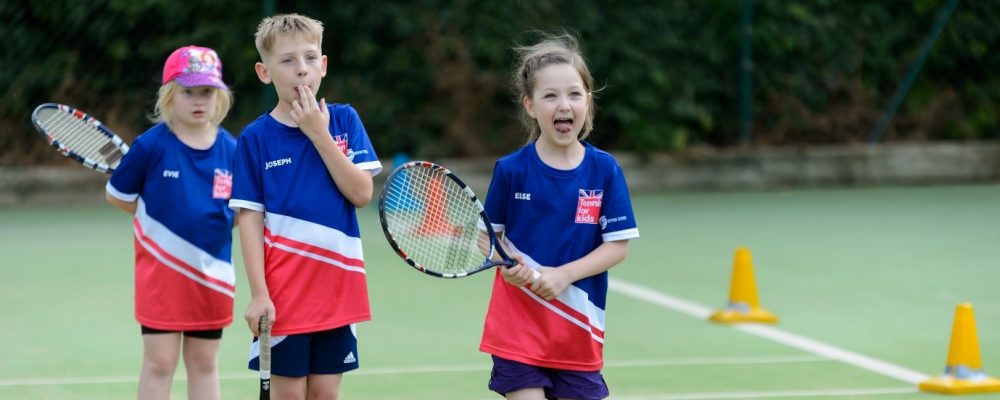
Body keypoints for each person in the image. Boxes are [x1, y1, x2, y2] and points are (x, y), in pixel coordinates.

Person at [229, 13, 382, 400]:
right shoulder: (255, 138)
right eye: (288, 61)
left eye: (310, 58)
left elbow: (361, 193)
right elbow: (249, 219)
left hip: (337, 291)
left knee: (325, 395)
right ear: (264, 72)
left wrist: (319, 133)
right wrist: (258, 293)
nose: (302, 70)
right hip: (284, 298)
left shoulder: (345, 121)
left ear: (324, 65)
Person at [479, 33, 640, 400]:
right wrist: (507, 263)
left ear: (588, 103)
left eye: (574, 94)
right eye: (550, 96)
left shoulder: (605, 170)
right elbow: (487, 236)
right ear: (530, 106)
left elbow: (617, 247)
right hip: (517, 329)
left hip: (577, 331)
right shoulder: (511, 171)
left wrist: (564, 275)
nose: (563, 104)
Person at [105, 45, 236, 400]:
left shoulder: (231, 150)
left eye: (206, 92)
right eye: (188, 91)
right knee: (160, 362)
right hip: (162, 275)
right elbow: (117, 195)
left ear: (219, 96)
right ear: (169, 95)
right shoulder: (150, 147)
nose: (198, 100)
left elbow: (240, 211)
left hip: (212, 276)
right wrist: (158, 223)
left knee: (205, 362)